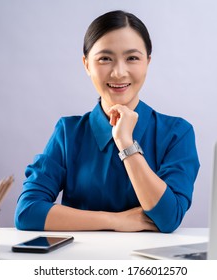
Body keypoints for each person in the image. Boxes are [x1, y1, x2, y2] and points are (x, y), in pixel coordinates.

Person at [14, 10, 200, 233]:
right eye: (105, 58)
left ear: (147, 62)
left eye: (132, 58)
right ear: (86, 65)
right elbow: (28, 212)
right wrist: (115, 221)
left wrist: (126, 144)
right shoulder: (68, 133)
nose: (119, 73)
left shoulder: (177, 133)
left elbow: (169, 218)